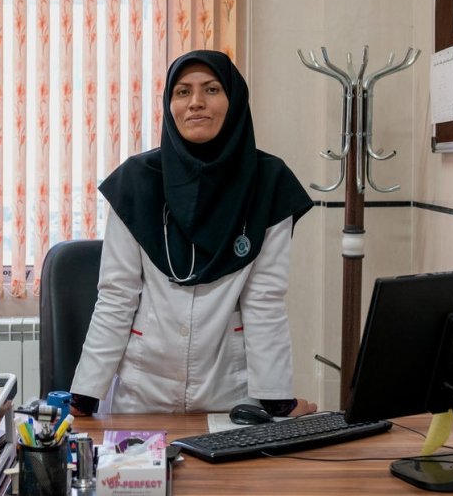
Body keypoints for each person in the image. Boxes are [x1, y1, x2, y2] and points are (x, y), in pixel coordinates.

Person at [68, 50, 316, 417]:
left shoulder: (269, 185)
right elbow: (117, 297)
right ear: (169, 105)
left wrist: (277, 402)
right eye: (182, 92)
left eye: (212, 89)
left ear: (234, 101)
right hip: (142, 392)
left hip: (228, 392)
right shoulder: (136, 182)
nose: (196, 103)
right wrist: (84, 397)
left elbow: (264, 301)